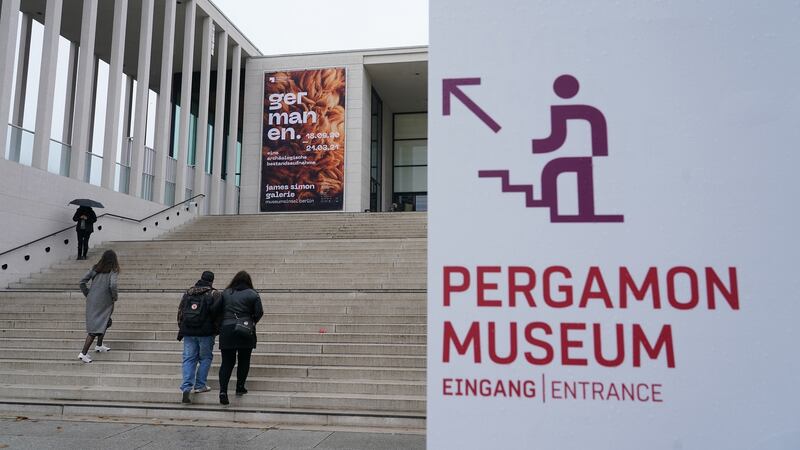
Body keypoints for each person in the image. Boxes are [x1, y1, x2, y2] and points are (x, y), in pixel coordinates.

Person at [218, 271, 263, 405]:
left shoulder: (226, 293)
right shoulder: (253, 294)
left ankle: (223, 391)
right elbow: (259, 312)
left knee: (226, 362)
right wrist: (251, 321)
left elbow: (216, 309)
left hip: (227, 329)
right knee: (244, 360)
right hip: (245, 329)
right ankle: (240, 387)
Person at [177, 271, 222, 404]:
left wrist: (182, 327)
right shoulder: (214, 294)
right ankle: (200, 385)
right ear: (212, 281)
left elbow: (180, 311)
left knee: (189, 359)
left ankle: (186, 387)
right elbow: (218, 315)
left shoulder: (188, 292)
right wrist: (216, 331)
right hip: (206, 333)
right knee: (205, 357)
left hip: (189, 331)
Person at [77, 249, 119, 363]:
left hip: (92, 300)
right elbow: (113, 285)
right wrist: (114, 296)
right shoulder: (113, 270)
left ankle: (99, 345)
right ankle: (83, 353)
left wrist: (88, 293)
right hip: (105, 301)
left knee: (105, 321)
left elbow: (82, 282)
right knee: (96, 327)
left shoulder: (95, 268)